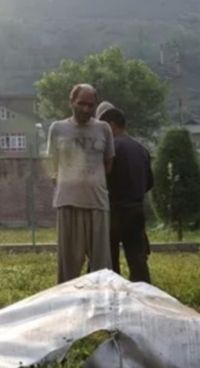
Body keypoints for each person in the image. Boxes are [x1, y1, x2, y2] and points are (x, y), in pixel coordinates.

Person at [46, 84, 114, 283]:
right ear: (71, 102)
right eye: (81, 103)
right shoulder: (57, 128)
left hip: (97, 203)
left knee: (101, 268)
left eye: (90, 105)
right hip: (67, 203)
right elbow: (54, 164)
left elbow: (109, 164)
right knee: (68, 267)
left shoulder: (104, 128)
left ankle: (101, 307)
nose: (85, 109)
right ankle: (67, 307)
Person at [96, 103, 154, 283]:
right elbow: (149, 182)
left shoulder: (110, 150)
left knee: (110, 263)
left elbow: (103, 179)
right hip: (136, 210)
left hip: (114, 211)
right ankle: (143, 297)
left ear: (111, 125)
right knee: (138, 261)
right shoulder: (141, 149)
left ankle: (113, 298)